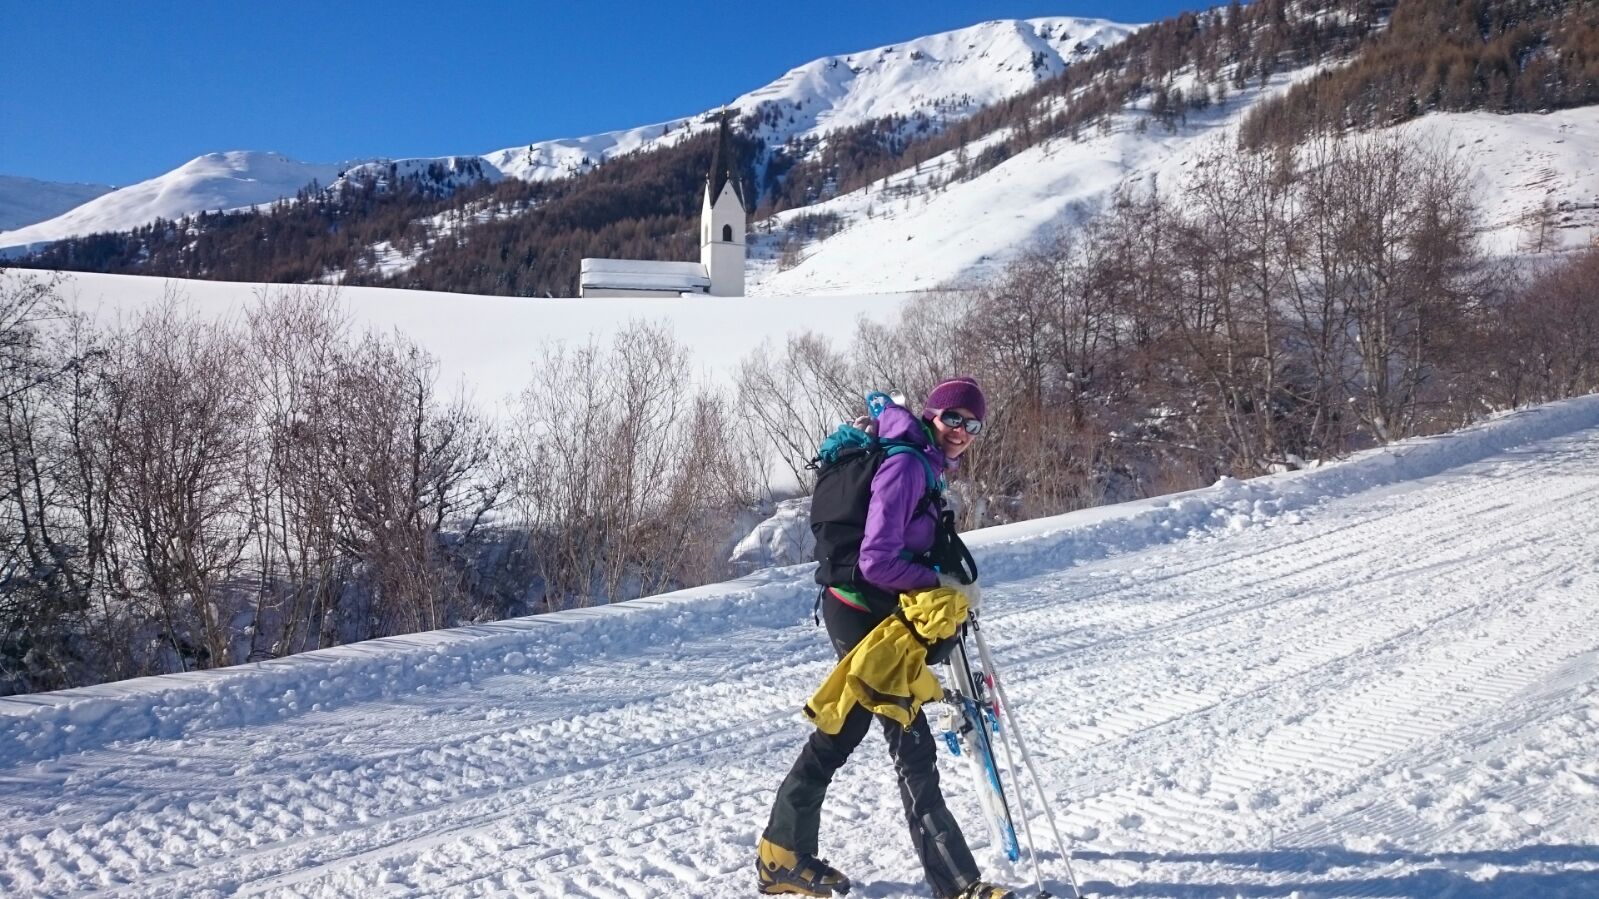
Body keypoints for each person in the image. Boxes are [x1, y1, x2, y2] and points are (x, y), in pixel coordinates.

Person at [758, 377, 1014, 899]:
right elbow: (877, 559)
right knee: (910, 740)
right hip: (862, 608)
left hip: (872, 608)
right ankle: (960, 886)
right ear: (932, 414)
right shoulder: (906, 464)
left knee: (843, 730)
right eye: (954, 418)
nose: (963, 431)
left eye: (973, 424)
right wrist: (937, 584)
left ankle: (780, 854)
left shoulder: (924, 460)